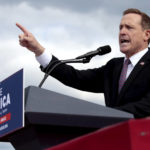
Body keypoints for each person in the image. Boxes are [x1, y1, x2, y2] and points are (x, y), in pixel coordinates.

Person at [16, 8, 150, 118]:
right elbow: (76, 78)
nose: (122, 32)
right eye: (120, 27)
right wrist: (38, 50)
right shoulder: (113, 67)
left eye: (129, 28)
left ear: (146, 34)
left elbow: (146, 106)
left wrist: (106, 115)